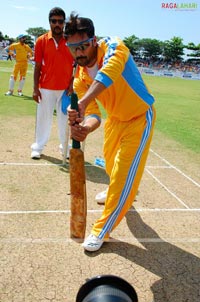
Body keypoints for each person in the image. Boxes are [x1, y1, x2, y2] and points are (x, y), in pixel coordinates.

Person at [65, 13, 156, 252]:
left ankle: (101, 230)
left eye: (83, 46)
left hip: (139, 118)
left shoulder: (114, 46)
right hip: (115, 121)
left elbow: (109, 73)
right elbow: (95, 115)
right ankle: (118, 191)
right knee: (110, 168)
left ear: (94, 40)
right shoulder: (80, 77)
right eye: (73, 48)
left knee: (122, 178)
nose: (79, 53)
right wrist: (84, 127)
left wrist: (81, 103)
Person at [31, 7, 74, 159]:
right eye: (54, 21)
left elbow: (76, 65)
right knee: (43, 119)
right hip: (46, 88)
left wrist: (71, 84)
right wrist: (35, 89)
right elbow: (37, 66)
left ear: (64, 23)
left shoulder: (70, 40)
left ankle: (64, 148)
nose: (57, 24)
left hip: (65, 90)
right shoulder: (41, 40)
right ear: (49, 22)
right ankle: (38, 147)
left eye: (60, 22)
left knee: (64, 121)